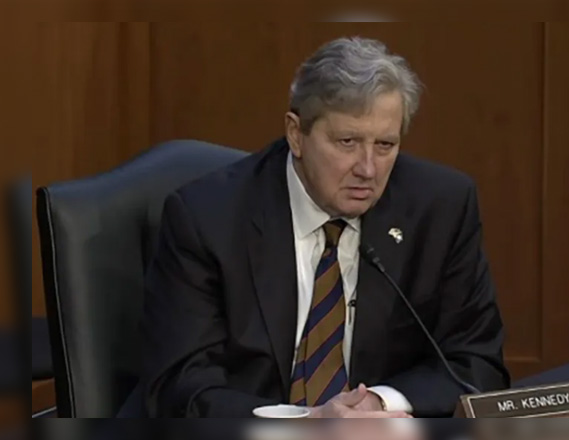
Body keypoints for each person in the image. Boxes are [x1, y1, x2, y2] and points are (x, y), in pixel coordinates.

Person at [141, 36, 510, 418]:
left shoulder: (439, 209)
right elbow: (180, 388)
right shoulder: (208, 219)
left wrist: (377, 402)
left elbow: (476, 364)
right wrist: (306, 424)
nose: (368, 169)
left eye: (385, 145)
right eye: (347, 142)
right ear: (295, 134)